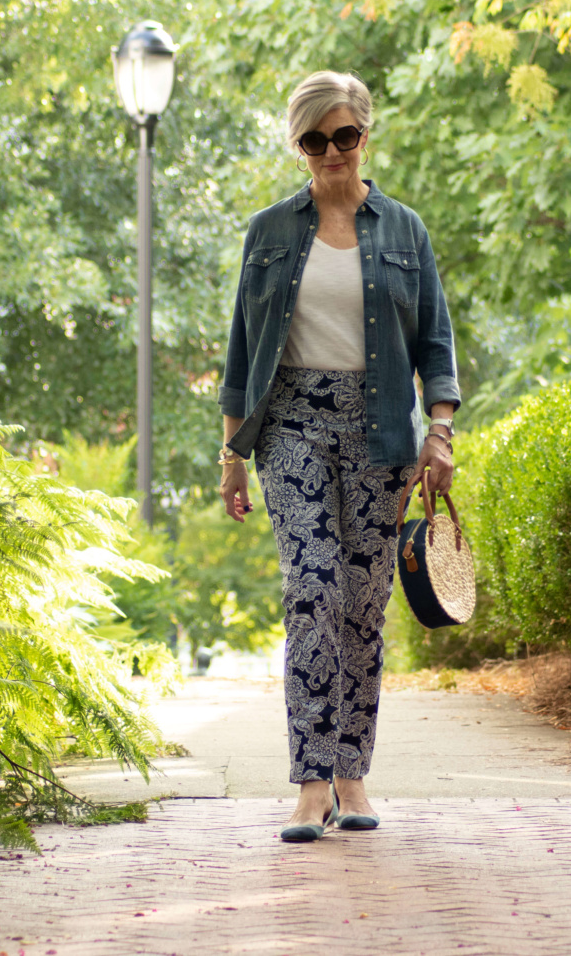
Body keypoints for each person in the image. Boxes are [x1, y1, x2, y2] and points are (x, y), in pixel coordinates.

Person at [217, 71, 461, 842]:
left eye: (344, 135)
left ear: (365, 135)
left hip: (381, 428)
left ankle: (354, 771)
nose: (330, 151)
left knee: (361, 600)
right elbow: (241, 353)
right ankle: (311, 782)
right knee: (312, 588)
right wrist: (230, 456)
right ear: (298, 145)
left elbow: (435, 343)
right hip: (289, 424)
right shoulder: (269, 232)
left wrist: (441, 432)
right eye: (314, 139)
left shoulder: (405, 230)